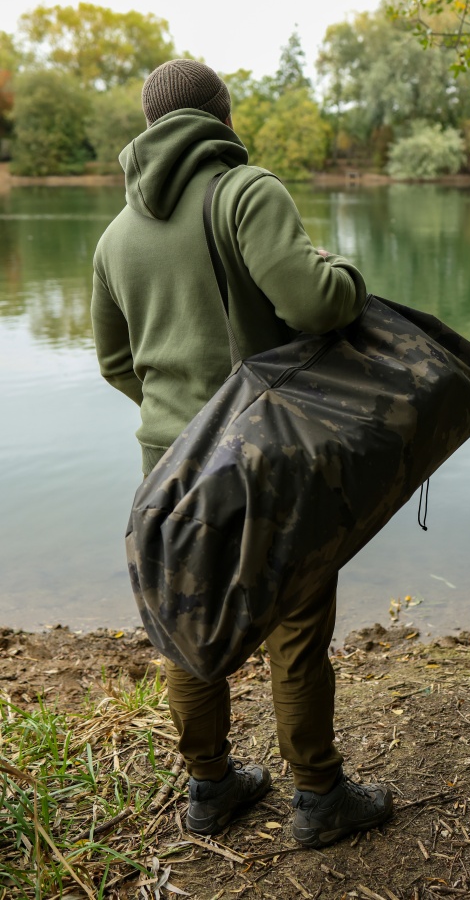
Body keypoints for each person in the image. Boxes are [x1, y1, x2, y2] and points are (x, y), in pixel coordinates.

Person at [91, 59, 393, 847]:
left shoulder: (116, 235)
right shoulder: (247, 190)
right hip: (266, 457)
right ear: (222, 118)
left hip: (168, 465)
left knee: (186, 624)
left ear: (149, 127)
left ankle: (211, 788)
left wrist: (180, 424)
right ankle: (320, 800)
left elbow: (116, 363)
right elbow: (314, 304)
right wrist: (347, 274)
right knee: (294, 623)